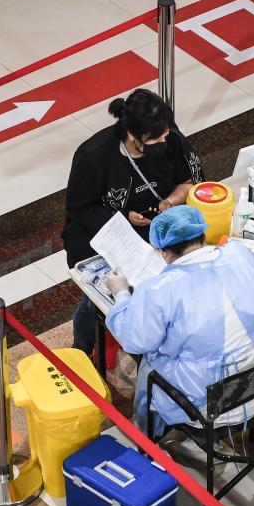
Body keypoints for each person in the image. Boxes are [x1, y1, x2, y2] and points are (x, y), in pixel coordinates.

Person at [104, 206, 254, 437]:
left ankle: (147, 438)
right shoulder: (240, 256)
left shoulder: (158, 290)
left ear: (162, 252)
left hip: (213, 406)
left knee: (150, 363)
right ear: (202, 234)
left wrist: (121, 294)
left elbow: (136, 341)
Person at [63, 89, 204, 355]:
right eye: (157, 137)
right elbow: (79, 208)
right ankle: (83, 346)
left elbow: (192, 181)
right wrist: (123, 218)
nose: (166, 139)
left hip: (162, 228)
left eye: (166, 133)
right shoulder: (94, 157)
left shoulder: (170, 138)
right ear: (132, 135)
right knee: (95, 302)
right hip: (108, 235)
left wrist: (170, 202)